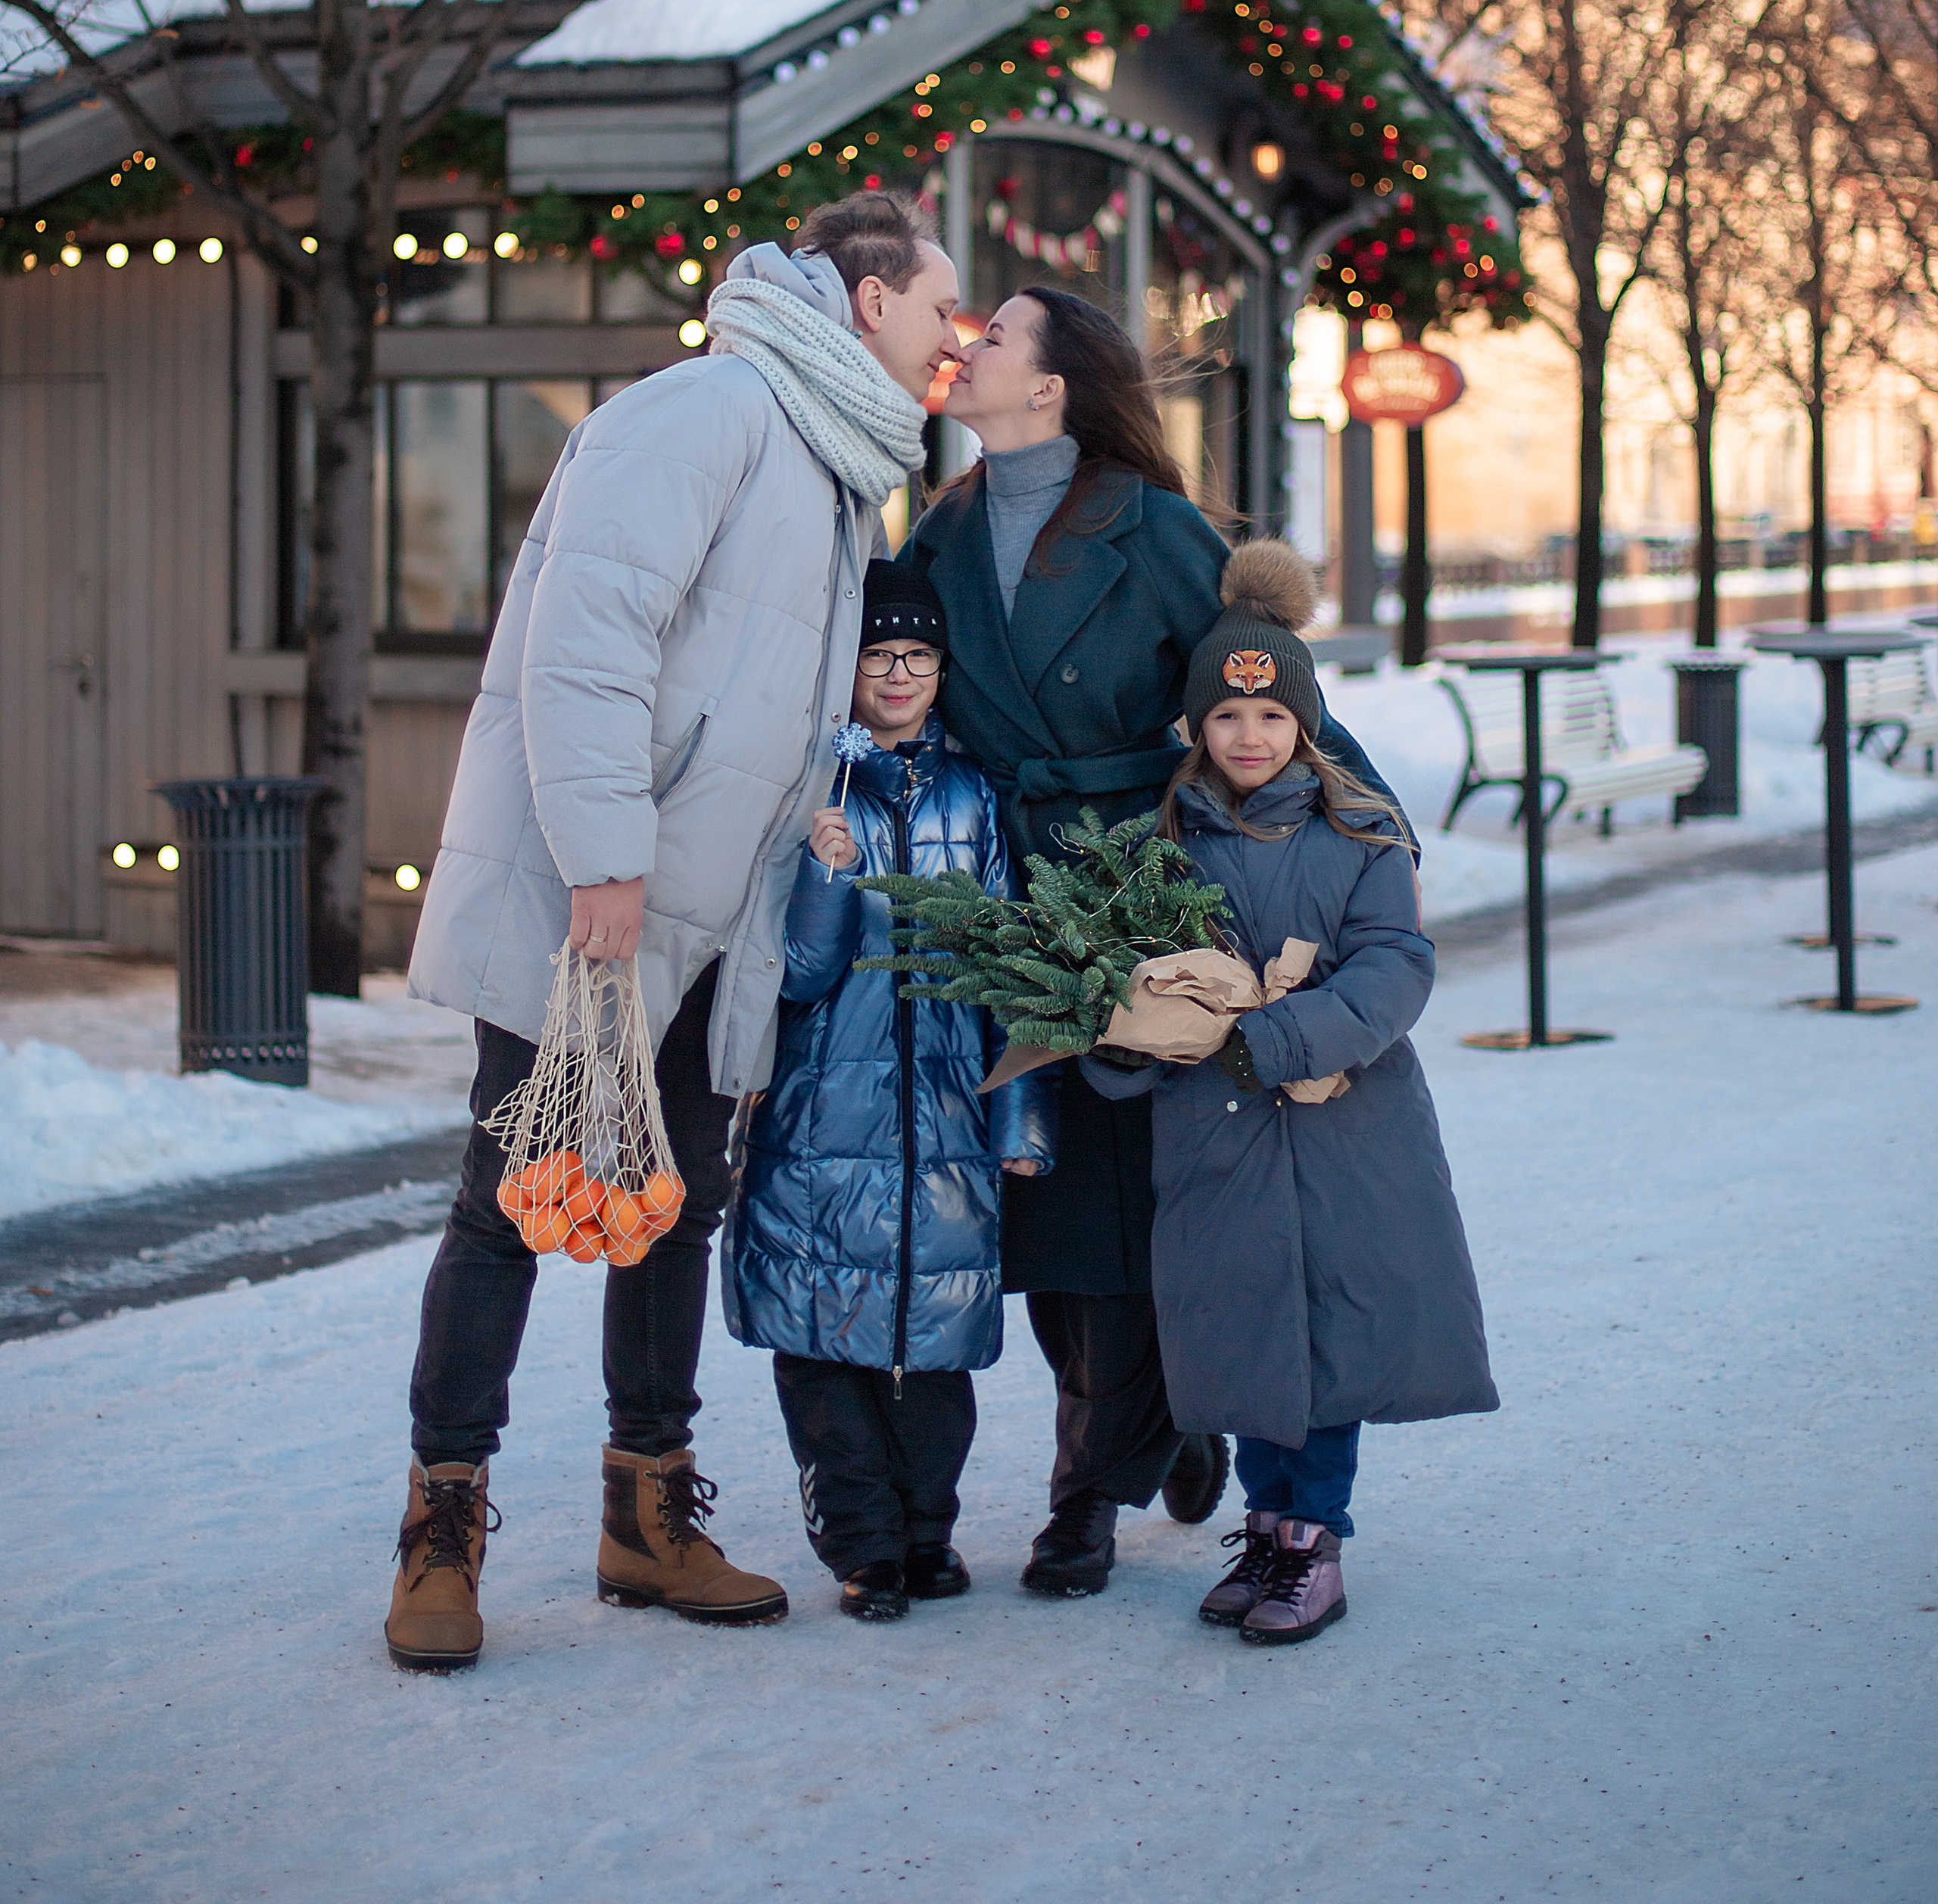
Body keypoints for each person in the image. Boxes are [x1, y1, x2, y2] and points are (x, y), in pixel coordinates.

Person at [384, 193, 963, 1671]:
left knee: (674, 1197)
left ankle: (645, 1510)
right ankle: (440, 1522)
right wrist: (603, 862)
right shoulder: (704, 408)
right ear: (864, 295)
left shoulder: (838, 461)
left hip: (725, 914)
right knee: (512, 1196)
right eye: (937, 307)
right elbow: (590, 637)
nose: (951, 337)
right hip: (607, 896)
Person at [905, 284, 1405, 1598]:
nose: (968, 348)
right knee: (1047, 1201)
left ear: (1054, 384)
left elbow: (1262, 685)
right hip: (1007, 897)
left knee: (1132, 1199)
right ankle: (1160, 1420)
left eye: (997, 335)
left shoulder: (1155, 526)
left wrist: (1363, 822)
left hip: (1146, 896)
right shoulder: (944, 524)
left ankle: (1087, 1492)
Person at [1086, 538, 1496, 1645]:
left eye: (1272, 719)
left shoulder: (1361, 833)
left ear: (1306, 724)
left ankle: (1315, 1534)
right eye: (1227, 719)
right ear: (1196, 730)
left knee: (1328, 1333)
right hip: (1214, 1137)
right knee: (1244, 1331)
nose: (1251, 737)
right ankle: (1267, 1524)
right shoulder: (1158, 845)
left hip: (1344, 1127)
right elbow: (1124, 972)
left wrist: (1272, 1038)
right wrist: (1126, 1043)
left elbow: (1394, 966)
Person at [724, 559, 1055, 1621]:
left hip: (949, 1116)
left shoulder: (973, 799)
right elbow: (802, 981)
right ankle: (863, 1541)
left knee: (936, 1339)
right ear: (848, 670)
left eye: (919, 655)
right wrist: (823, 875)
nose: (902, 672)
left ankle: (927, 1532)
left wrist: (1022, 1116)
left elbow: (1013, 971)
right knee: (827, 1340)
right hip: (828, 1116)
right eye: (880, 655)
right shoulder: (812, 795)